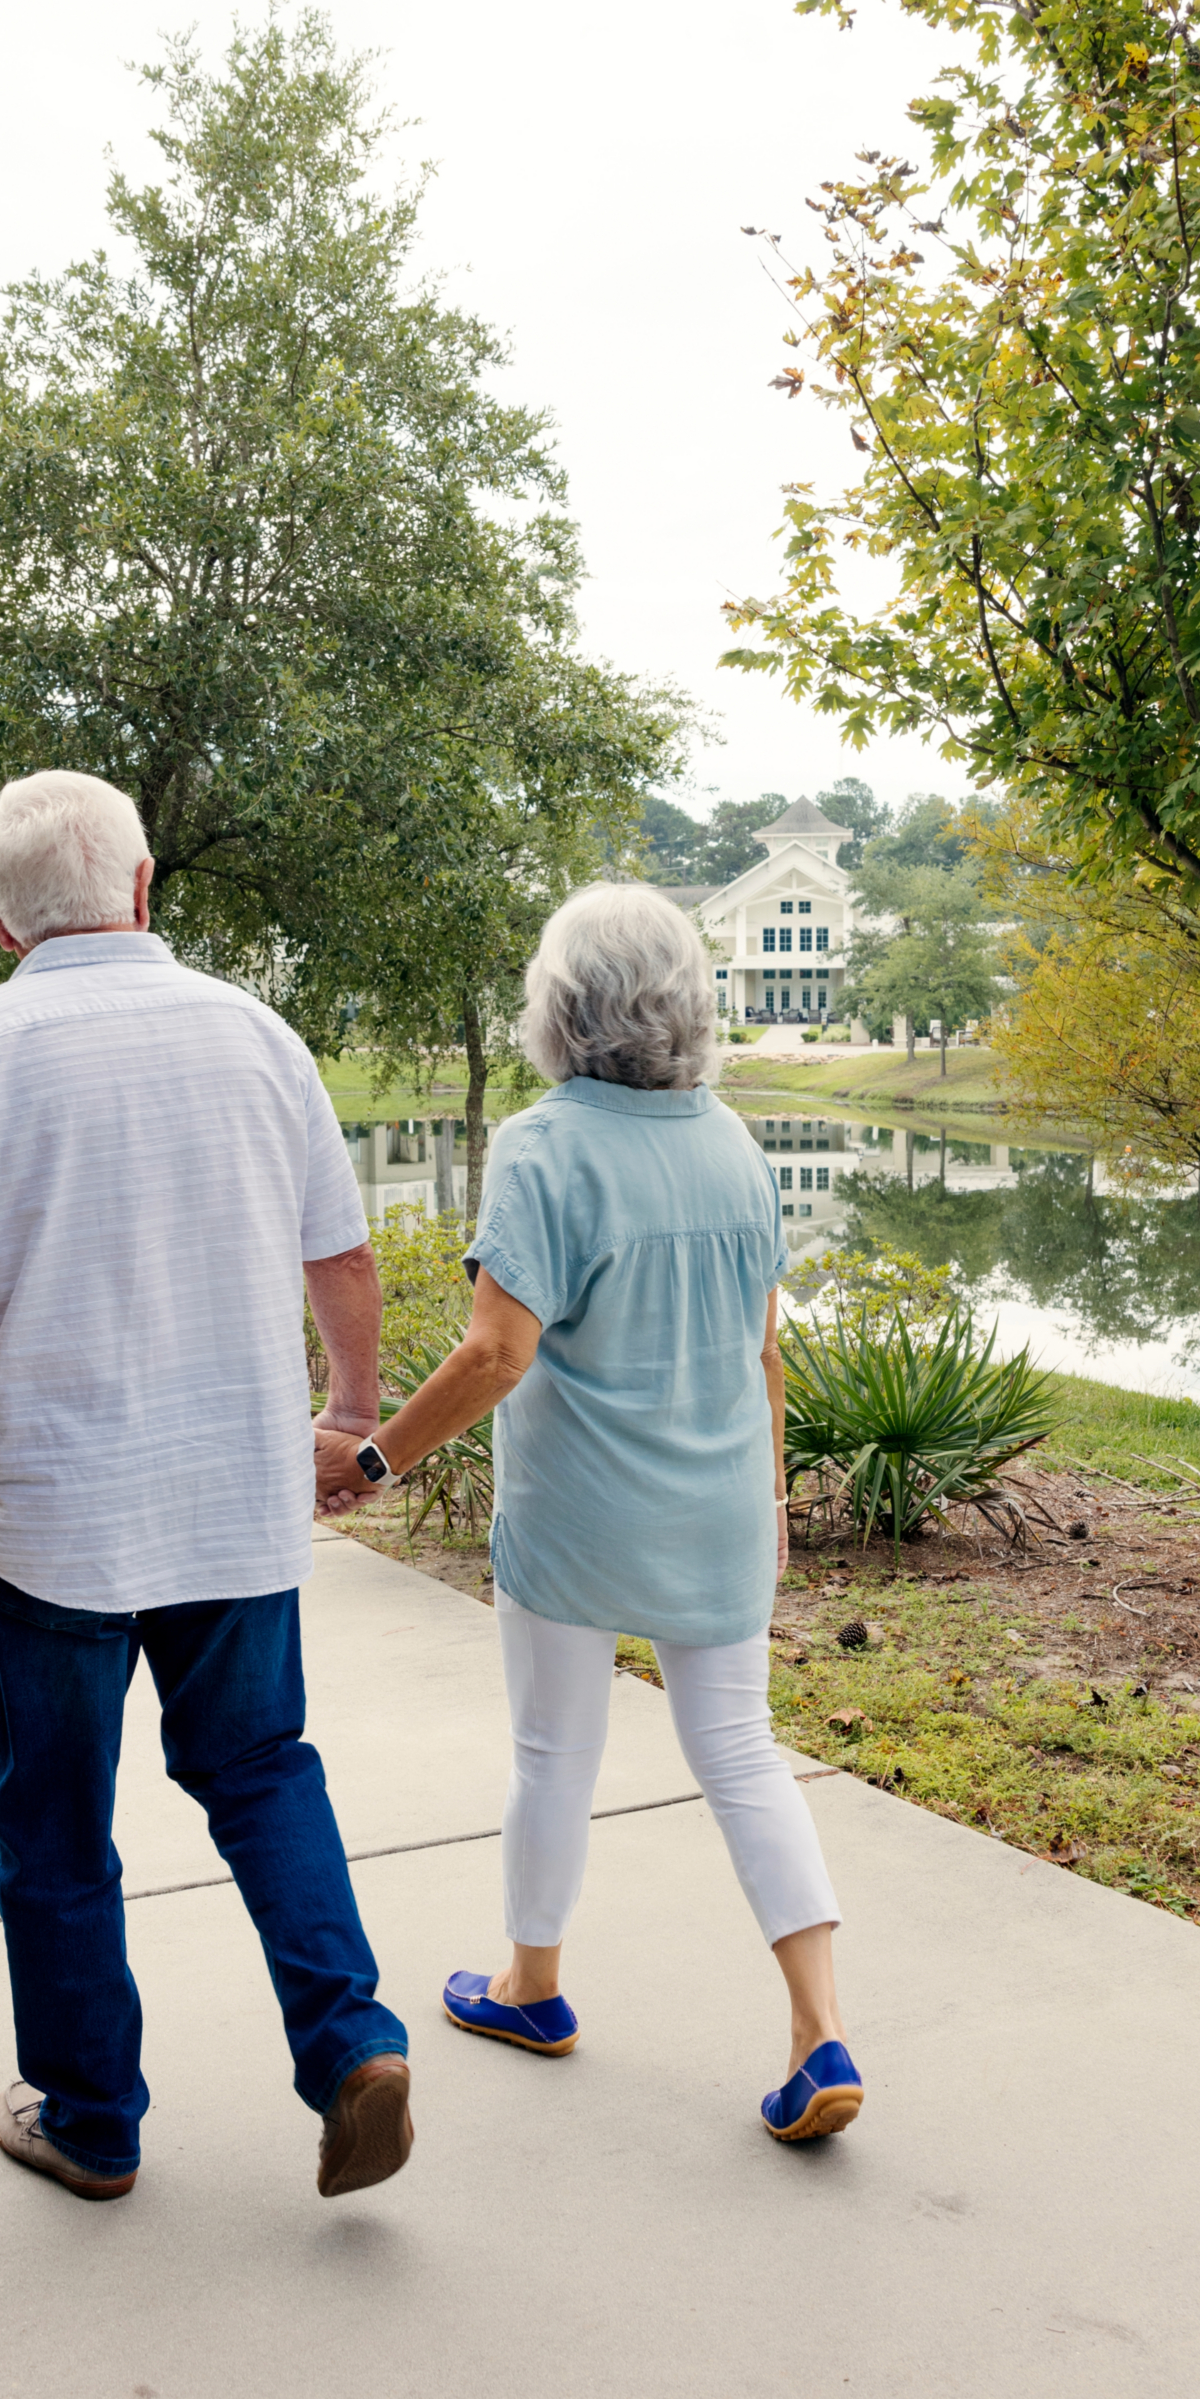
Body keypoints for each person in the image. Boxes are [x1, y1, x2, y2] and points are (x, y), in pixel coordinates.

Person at [0, 768, 412, 2204]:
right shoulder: (256, 1035)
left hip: (55, 1520)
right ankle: (351, 2042)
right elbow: (338, 1253)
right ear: (144, 884)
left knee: (53, 1819)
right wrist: (347, 1411)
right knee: (261, 1767)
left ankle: (91, 2118)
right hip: (235, 1501)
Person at [314, 882, 861, 2142]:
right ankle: (818, 2027)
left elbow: (498, 1352)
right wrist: (768, 1499)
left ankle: (532, 1987)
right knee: (740, 1754)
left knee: (555, 1751)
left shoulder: (546, 1143)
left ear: (560, 1006)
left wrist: (374, 1462)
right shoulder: (733, 1141)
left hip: (577, 1515)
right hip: (718, 1503)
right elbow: (762, 1349)